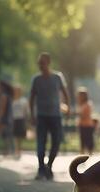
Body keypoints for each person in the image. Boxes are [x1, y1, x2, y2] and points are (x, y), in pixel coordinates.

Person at [30, 52, 70, 180]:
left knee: (56, 142)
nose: (40, 65)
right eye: (39, 63)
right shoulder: (36, 79)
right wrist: (32, 114)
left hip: (55, 116)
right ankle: (41, 169)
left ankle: (49, 166)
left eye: (42, 63)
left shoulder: (57, 77)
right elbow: (31, 98)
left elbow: (65, 93)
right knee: (40, 143)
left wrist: (67, 108)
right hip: (41, 116)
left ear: (48, 62)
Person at [77, 87, 96, 155]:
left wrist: (77, 114)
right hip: (82, 125)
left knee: (88, 140)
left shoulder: (87, 104)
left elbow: (84, 115)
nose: (78, 97)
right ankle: (82, 154)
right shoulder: (81, 104)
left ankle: (89, 153)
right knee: (83, 140)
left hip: (87, 125)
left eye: (80, 95)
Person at [12, 86, 29, 159]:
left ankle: (19, 150)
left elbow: (26, 111)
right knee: (15, 136)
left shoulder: (24, 100)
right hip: (14, 119)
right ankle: (16, 150)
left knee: (20, 136)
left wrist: (26, 120)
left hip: (21, 119)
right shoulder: (12, 100)